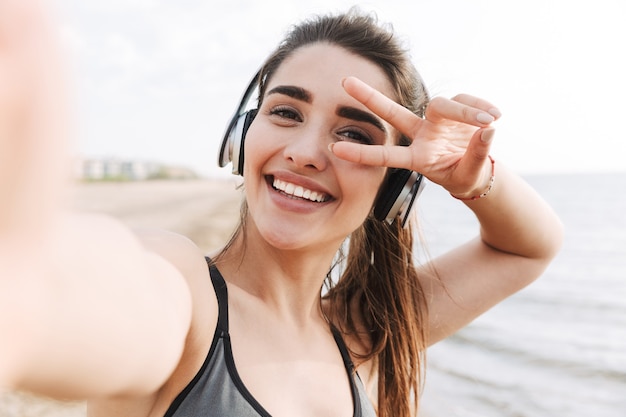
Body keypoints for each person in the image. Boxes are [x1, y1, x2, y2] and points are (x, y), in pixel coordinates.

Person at [0, 2, 563, 417]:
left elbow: (530, 246)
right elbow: (59, 298)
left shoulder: (365, 335)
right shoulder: (184, 295)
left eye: (353, 132)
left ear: (394, 184)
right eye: (287, 113)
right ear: (245, 137)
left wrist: (471, 174)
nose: (303, 152)